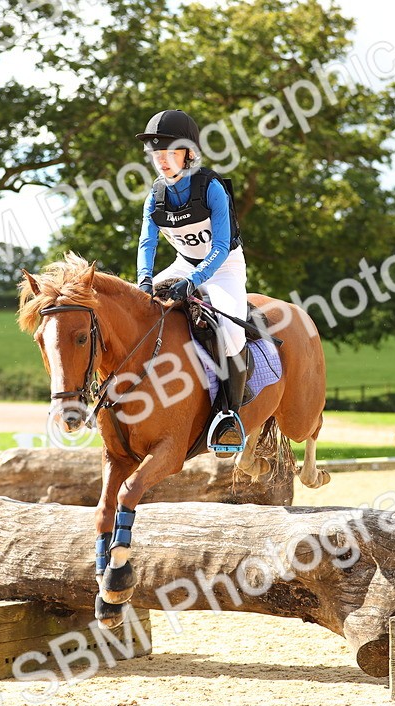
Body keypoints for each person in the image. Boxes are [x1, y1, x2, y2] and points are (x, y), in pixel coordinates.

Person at [135, 109, 249, 455]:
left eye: (170, 153)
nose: (163, 161)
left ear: (189, 153)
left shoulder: (211, 187)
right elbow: (147, 244)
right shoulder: (154, 197)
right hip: (182, 264)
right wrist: (143, 282)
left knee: (231, 332)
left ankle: (229, 416)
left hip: (224, 267)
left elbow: (220, 246)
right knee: (135, 312)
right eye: (157, 155)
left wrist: (195, 280)